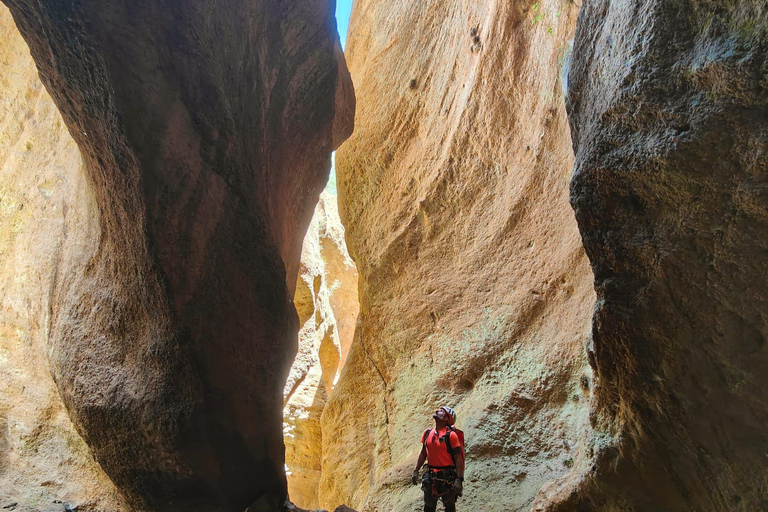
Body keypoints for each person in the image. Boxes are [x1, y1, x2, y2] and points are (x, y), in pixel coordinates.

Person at [411, 406, 465, 512]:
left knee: (449, 507)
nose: (437, 411)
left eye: (441, 411)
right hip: (430, 477)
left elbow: (458, 458)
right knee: (429, 507)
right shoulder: (427, 433)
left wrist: (459, 479)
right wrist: (415, 470)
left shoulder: (451, 436)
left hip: (447, 478)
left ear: (446, 418)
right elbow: (423, 453)